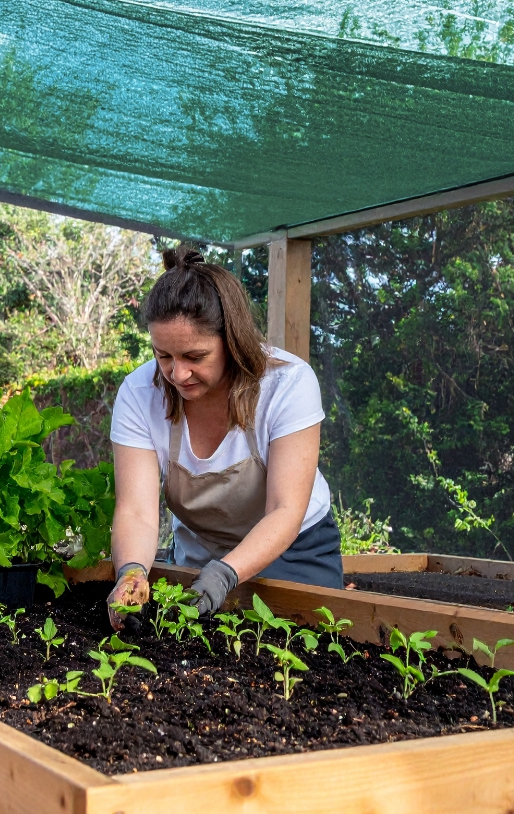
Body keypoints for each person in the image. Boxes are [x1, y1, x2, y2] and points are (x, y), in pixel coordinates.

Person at [105, 247, 342, 628]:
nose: (177, 374)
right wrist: (131, 573)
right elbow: (136, 511)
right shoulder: (138, 393)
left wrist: (225, 574)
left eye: (195, 356)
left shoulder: (287, 384)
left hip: (295, 550)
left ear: (232, 340)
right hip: (200, 551)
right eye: (163, 355)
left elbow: (285, 510)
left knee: (307, 645)